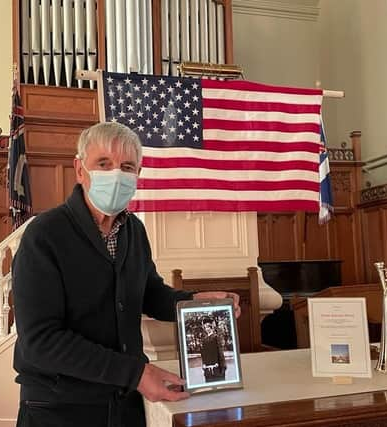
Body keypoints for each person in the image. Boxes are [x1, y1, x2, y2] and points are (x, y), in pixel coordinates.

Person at [12, 121, 240, 427]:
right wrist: (137, 373)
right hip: (61, 407)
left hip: (124, 404)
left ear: (138, 176)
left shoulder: (134, 230)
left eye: (127, 166)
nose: (116, 174)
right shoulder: (44, 235)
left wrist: (195, 301)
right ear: (80, 170)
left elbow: (150, 294)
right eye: (103, 164)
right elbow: (40, 341)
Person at [200, 317, 227, 382]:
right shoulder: (204, 339)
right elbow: (203, 353)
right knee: (209, 382)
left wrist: (219, 363)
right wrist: (204, 364)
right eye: (205, 326)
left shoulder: (217, 336)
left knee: (220, 382)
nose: (207, 328)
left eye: (208, 326)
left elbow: (220, 350)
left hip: (218, 364)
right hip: (207, 366)